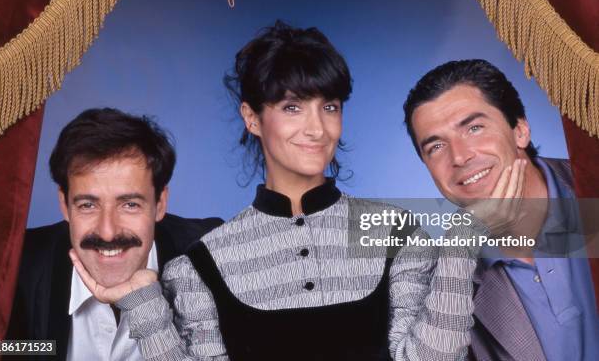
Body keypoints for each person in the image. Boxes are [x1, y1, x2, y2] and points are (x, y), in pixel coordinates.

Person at [71, 22, 480, 360]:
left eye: (330, 106)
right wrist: (144, 305)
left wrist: (462, 245)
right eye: (292, 107)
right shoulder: (200, 266)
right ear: (251, 117)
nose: (317, 128)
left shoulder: (396, 232)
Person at [403, 59, 599, 361]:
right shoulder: (440, 281)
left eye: (474, 128)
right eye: (436, 147)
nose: (460, 156)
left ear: (520, 130)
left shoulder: (592, 185)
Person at [6, 108, 223, 361]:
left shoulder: (212, 258)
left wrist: (146, 308)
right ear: (65, 205)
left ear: (160, 204)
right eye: (88, 205)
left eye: (129, 204)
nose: (108, 232)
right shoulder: (16, 266)